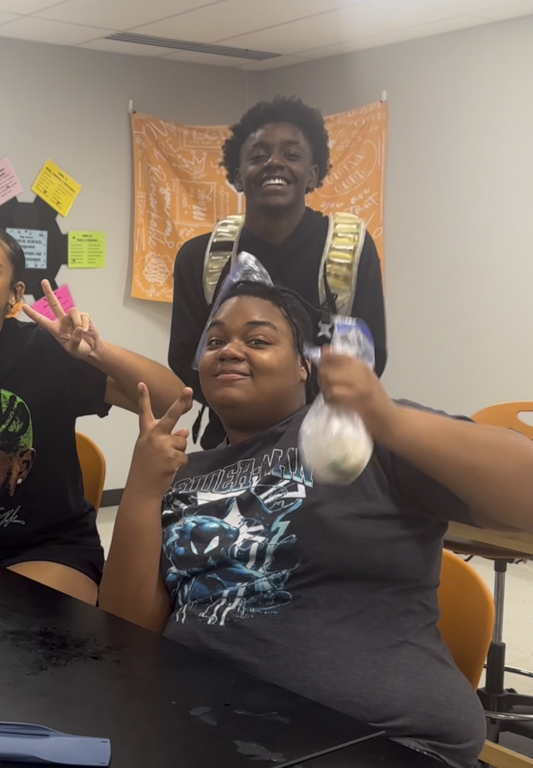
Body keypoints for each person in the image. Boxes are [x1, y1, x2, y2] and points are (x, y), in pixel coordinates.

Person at [102, 281, 533, 768]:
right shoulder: (184, 471)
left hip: (373, 739)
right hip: (203, 728)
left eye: (258, 340)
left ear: (304, 366)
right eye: (216, 341)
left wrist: (388, 420)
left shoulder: (357, 434)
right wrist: (142, 488)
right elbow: (125, 637)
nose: (229, 351)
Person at [0, 227, 184, 605]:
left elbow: (172, 398)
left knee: (6, 620)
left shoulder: (47, 351)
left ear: (15, 293)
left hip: (52, 547)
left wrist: (96, 351)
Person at [168, 96, 387, 449]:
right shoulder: (200, 258)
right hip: (231, 444)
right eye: (258, 156)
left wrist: (292, 407)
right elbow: (184, 359)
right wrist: (250, 408)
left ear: (313, 174)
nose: (274, 163)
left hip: (329, 444)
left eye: (291, 154)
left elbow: (370, 357)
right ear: (237, 176)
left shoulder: (351, 250)